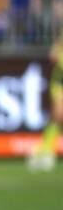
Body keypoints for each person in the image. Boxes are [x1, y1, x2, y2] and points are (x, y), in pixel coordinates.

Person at [27, 32, 63, 171]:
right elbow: (53, 54)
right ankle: (46, 150)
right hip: (60, 81)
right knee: (58, 116)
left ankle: (46, 149)